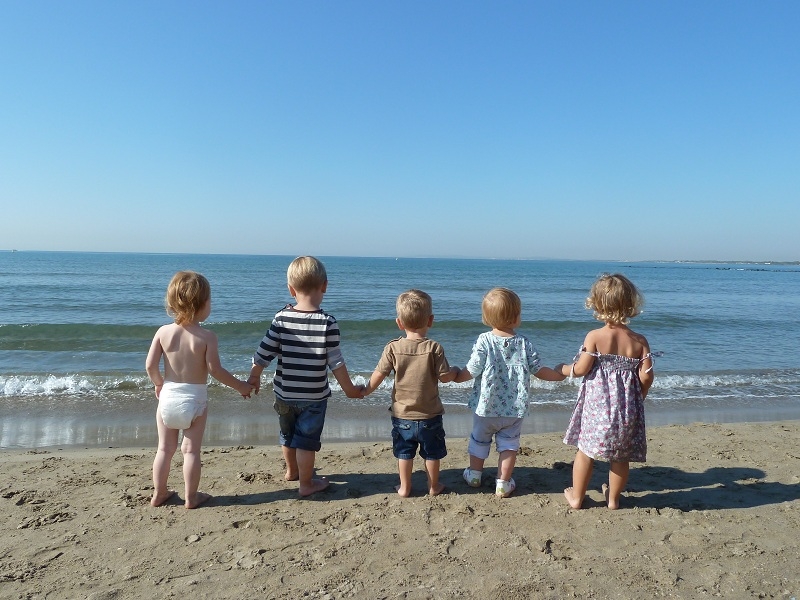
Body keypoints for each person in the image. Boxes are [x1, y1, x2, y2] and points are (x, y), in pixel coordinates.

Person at [248, 256, 362, 497]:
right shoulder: (327, 323)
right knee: (306, 441)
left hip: (284, 393)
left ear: (291, 290)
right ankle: (306, 483)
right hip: (314, 396)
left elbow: (263, 353)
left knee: (287, 435)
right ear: (325, 286)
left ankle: (292, 472)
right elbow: (336, 362)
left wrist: (254, 377)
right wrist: (350, 389)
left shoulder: (281, 319)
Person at [146, 271, 253, 509]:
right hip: (195, 400)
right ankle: (191, 497)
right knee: (191, 450)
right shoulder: (207, 337)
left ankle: (159, 493)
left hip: (168, 397)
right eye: (210, 301)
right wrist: (241, 387)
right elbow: (215, 370)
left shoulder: (163, 332)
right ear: (203, 305)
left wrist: (158, 383)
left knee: (165, 448)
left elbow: (150, 365)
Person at [556, 273, 656, 510]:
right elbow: (647, 376)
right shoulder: (639, 341)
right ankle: (613, 500)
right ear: (631, 304)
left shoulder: (595, 336)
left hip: (596, 410)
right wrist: (639, 396)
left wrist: (563, 369)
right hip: (627, 410)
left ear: (597, 304)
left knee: (585, 451)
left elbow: (581, 369)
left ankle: (577, 497)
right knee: (620, 457)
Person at [454, 288, 565, 497]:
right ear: (516, 317)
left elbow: (472, 369)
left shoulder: (484, 340)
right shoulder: (524, 343)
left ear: (486, 317)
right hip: (514, 409)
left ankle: (475, 474)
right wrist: (559, 375)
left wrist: (456, 376)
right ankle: (503, 482)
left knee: (479, 439)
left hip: (485, 407)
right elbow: (539, 370)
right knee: (509, 445)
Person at [361, 289, 459, 497]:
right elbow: (445, 377)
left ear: (399, 323)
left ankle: (405, 487)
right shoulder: (434, 348)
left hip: (402, 415)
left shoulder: (393, 348)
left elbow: (379, 373)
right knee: (431, 453)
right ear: (430, 320)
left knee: (404, 453)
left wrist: (366, 390)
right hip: (430, 414)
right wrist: (456, 372)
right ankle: (433, 486)